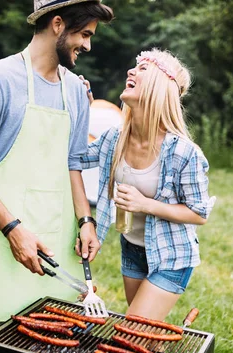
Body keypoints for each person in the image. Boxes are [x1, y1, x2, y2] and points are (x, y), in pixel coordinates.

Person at [0, 0, 114, 334]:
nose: (88, 45)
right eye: (84, 34)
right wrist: (14, 230)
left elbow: (73, 163)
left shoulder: (75, 89)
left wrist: (85, 221)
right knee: (8, 339)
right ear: (57, 24)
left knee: (63, 337)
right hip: (5, 234)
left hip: (59, 236)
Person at [79, 48, 216, 321]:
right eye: (133, 67)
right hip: (132, 249)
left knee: (133, 330)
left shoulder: (184, 153)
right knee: (142, 334)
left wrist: (146, 204)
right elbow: (77, 156)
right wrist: (82, 108)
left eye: (142, 69)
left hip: (172, 257)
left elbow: (199, 214)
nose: (131, 71)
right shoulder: (114, 138)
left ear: (158, 88)